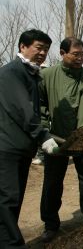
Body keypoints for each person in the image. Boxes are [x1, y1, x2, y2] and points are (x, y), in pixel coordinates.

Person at [0, 29, 58, 248]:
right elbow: (23, 110)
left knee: (14, 200)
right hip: (7, 147)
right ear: (23, 47)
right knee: (7, 198)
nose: (42, 53)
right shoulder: (12, 73)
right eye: (38, 47)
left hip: (21, 148)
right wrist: (42, 135)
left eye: (46, 49)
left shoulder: (31, 74)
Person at [39, 37, 83, 243]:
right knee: (52, 182)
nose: (80, 58)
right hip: (55, 138)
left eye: (82, 54)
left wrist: (82, 137)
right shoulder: (46, 75)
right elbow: (39, 105)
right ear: (62, 53)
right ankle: (50, 225)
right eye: (75, 54)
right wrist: (44, 128)